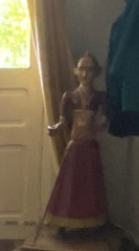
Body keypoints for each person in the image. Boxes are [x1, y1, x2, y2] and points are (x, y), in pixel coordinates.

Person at [42, 51, 109, 232]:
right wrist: (55, 128)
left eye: (90, 70)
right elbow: (63, 122)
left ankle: (92, 221)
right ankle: (63, 221)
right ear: (75, 71)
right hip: (75, 146)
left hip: (90, 146)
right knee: (69, 185)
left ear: (96, 72)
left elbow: (103, 121)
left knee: (91, 185)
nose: (85, 74)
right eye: (81, 69)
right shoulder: (69, 96)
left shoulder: (100, 98)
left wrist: (100, 122)